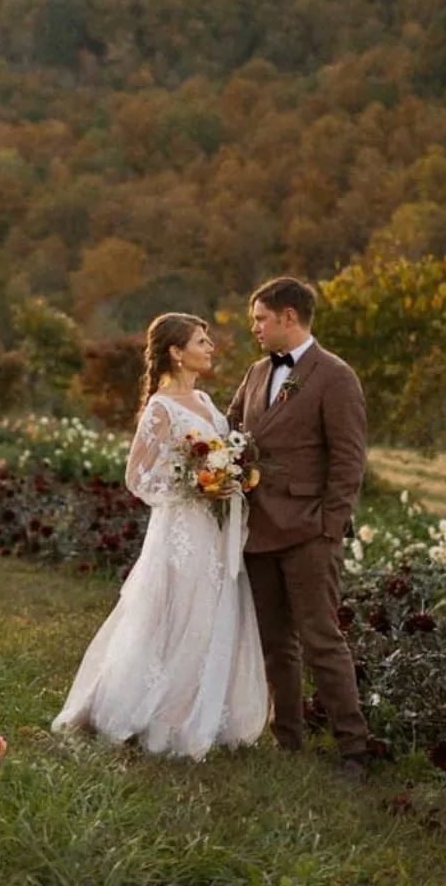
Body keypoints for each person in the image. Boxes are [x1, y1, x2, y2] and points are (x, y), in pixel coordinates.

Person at [52, 313, 268, 760]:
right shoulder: (161, 407)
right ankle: (147, 712)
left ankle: (197, 707)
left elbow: (222, 456)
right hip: (178, 528)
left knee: (208, 615)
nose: (210, 348)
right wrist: (194, 486)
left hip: (211, 528)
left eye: (208, 341)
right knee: (172, 616)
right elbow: (138, 477)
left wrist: (228, 479)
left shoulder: (208, 403)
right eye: (201, 341)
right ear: (176, 350)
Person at [227, 276, 370, 779]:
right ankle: (287, 741)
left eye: (261, 319)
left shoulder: (335, 376)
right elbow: (232, 435)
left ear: (290, 317)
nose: (256, 329)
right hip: (258, 529)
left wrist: (331, 526)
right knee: (275, 643)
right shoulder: (253, 373)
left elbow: (350, 459)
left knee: (321, 639)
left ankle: (354, 750)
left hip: (310, 531)